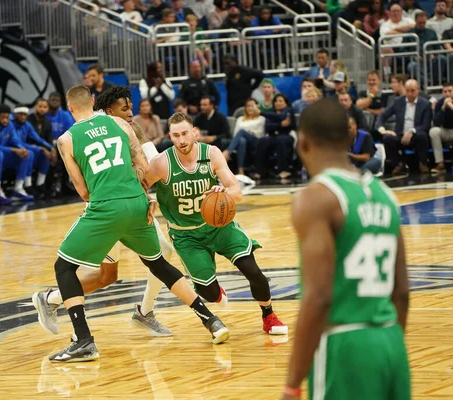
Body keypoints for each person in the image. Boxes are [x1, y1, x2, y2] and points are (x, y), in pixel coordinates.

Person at [42, 86, 230, 362]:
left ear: (70, 108)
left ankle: (83, 340)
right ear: (94, 102)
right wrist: (146, 198)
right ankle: (211, 321)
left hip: (106, 208)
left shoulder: (66, 140)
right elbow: (143, 165)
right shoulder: (119, 123)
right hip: (138, 204)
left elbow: (83, 192)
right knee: (159, 264)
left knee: (64, 266)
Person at [280, 97, 410, 400]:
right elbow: (401, 292)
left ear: (303, 143)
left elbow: (319, 296)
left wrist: (292, 384)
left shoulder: (316, 198)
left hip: (344, 346)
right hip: (391, 342)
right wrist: (384, 347)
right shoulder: (387, 196)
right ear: (350, 136)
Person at [33, 86, 177, 338]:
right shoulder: (96, 130)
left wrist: (149, 195)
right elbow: (89, 187)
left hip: (132, 203)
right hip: (106, 208)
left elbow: (149, 168)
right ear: (108, 111)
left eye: (131, 107)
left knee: (139, 262)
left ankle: (144, 311)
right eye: (125, 108)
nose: (131, 112)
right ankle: (52, 298)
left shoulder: (131, 128)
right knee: (108, 274)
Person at [145, 112, 288, 335]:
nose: (181, 140)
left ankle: (268, 316)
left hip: (219, 226)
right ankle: (214, 290)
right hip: (186, 235)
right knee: (210, 293)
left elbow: (236, 190)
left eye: (184, 134)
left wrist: (225, 193)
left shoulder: (211, 153)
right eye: (175, 136)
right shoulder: (162, 163)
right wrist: (148, 200)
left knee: (252, 270)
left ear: (194, 132)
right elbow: (139, 186)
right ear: (170, 137)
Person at [0, 105, 34, 201]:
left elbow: (15, 139)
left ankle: (18, 188)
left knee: (28, 154)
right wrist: (13, 150)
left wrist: (21, 148)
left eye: (7, 118)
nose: (5, 120)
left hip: (3, 154)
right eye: (2, 117)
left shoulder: (9, 124)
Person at [375, 79, 431, 175]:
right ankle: (398, 164)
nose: (409, 93)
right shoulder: (398, 102)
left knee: (422, 136)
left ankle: (423, 163)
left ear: (418, 90)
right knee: (387, 138)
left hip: (415, 135)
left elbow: (426, 125)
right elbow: (382, 115)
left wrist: (412, 131)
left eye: (412, 91)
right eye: (407, 90)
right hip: (400, 134)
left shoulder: (425, 104)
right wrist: (382, 130)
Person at [13, 105, 55, 195]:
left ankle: (40, 183)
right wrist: (40, 148)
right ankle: (27, 185)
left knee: (46, 154)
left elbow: (37, 138)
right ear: (15, 114)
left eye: (25, 114)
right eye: (20, 114)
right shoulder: (11, 125)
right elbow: (17, 143)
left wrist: (51, 147)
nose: (23, 117)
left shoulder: (26, 125)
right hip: (14, 151)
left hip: (23, 150)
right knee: (31, 153)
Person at [223, 98, 265, 178]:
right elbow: (235, 135)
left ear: (257, 107)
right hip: (243, 143)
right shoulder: (240, 119)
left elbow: (261, 134)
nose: (250, 108)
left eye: (252, 106)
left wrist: (251, 132)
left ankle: (228, 152)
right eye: (248, 106)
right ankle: (241, 170)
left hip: (256, 142)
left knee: (242, 132)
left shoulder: (261, 119)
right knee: (242, 140)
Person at [257, 94, 296, 180]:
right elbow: (268, 127)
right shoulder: (271, 113)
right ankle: (260, 171)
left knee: (281, 140)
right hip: (273, 136)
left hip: (287, 135)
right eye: (276, 101)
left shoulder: (289, 110)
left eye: (280, 101)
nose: (277, 103)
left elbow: (282, 117)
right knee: (263, 140)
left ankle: (284, 170)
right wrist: (280, 124)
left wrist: (262, 113)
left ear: (286, 103)